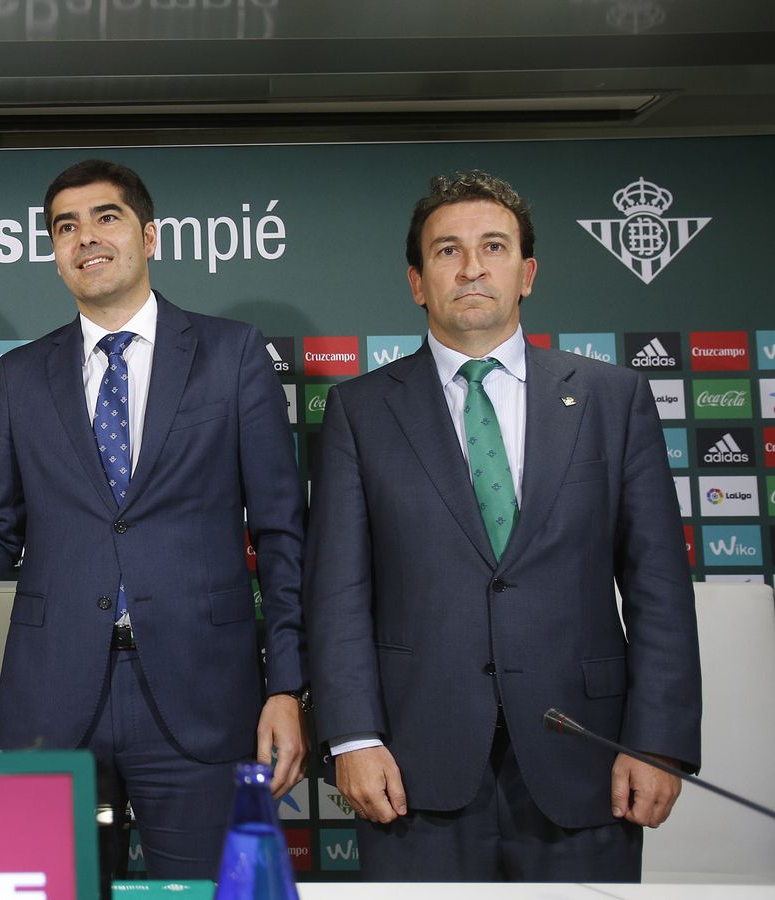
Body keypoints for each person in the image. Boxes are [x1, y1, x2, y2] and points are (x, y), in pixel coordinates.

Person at [0, 160, 309, 883]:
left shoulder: (232, 353)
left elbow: (281, 531)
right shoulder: (24, 376)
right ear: (55, 255)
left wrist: (286, 686)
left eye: (106, 217)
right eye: (66, 227)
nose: (86, 236)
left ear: (149, 236)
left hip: (204, 698)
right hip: (54, 699)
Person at [304, 170, 701, 881]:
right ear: (418, 282)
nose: (472, 266)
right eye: (447, 251)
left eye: (493, 246)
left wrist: (659, 743)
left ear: (527, 273)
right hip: (412, 768)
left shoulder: (614, 400)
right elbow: (337, 593)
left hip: (587, 757)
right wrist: (353, 736)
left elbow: (659, 589)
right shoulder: (360, 413)